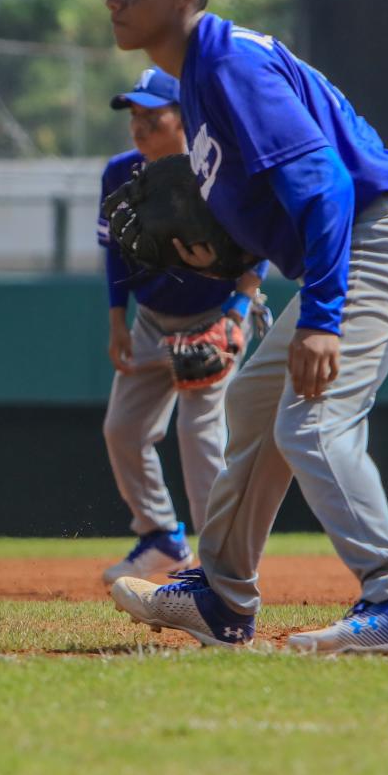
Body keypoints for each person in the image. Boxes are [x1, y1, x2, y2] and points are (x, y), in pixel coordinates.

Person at [76, 0, 388, 655]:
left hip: (379, 236)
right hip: (360, 240)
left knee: (312, 424)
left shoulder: (226, 65)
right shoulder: (201, 80)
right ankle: (222, 597)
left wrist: (321, 316)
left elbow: (322, 184)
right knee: (257, 405)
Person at [98, 65, 263, 585]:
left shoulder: (217, 169)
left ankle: (218, 561)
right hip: (149, 319)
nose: (139, 126)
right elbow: (112, 253)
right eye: (135, 116)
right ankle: (162, 539)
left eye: (153, 115)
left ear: (183, 118)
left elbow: (258, 247)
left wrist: (238, 316)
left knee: (199, 434)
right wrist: (117, 317)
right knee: (123, 429)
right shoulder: (120, 172)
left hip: (217, 313)